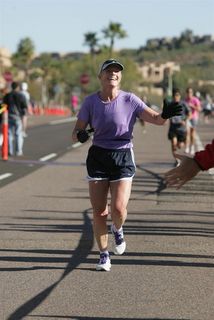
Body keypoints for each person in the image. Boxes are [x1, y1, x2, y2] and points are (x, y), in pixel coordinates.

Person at [72, 58, 182, 271]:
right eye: (108, 71)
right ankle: (104, 255)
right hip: (98, 157)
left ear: (120, 77)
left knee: (119, 209)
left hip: (122, 155)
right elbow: (75, 134)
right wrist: (81, 135)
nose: (113, 74)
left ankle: (118, 229)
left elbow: (157, 120)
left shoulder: (130, 100)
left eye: (117, 71)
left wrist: (165, 115)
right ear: (100, 76)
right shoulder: (90, 102)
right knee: (99, 211)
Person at [167, 88, 191, 166]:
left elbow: (189, 114)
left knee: (180, 145)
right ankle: (177, 160)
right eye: (174, 96)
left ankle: (180, 145)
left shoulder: (184, 104)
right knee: (173, 143)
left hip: (181, 129)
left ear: (180, 96)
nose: (176, 97)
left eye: (177, 95)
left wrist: (185, 120)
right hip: (173, 128)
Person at [3, 81, 27, 156]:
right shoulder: (21, 95)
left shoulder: (7, 96)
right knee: (18, 134)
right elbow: (24, 107)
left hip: (8, 117)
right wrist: (23, 116)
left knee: (9, 134)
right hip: (18, 117)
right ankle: (18, 151)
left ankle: (10, 150)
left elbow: (3, 106)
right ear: (17, 87)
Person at [184, 87, 201, 155]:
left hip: (194, 118)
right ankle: (187, 147)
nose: (189, 93)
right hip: (187, 118)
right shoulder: (185, 100)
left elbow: (199, 109)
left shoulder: (195, 100)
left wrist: (192, 106)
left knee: (192, 134)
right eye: (188, 92)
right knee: (187, 132)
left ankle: (192, 147)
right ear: (186, 93)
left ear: (192, 93)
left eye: (190, 92)